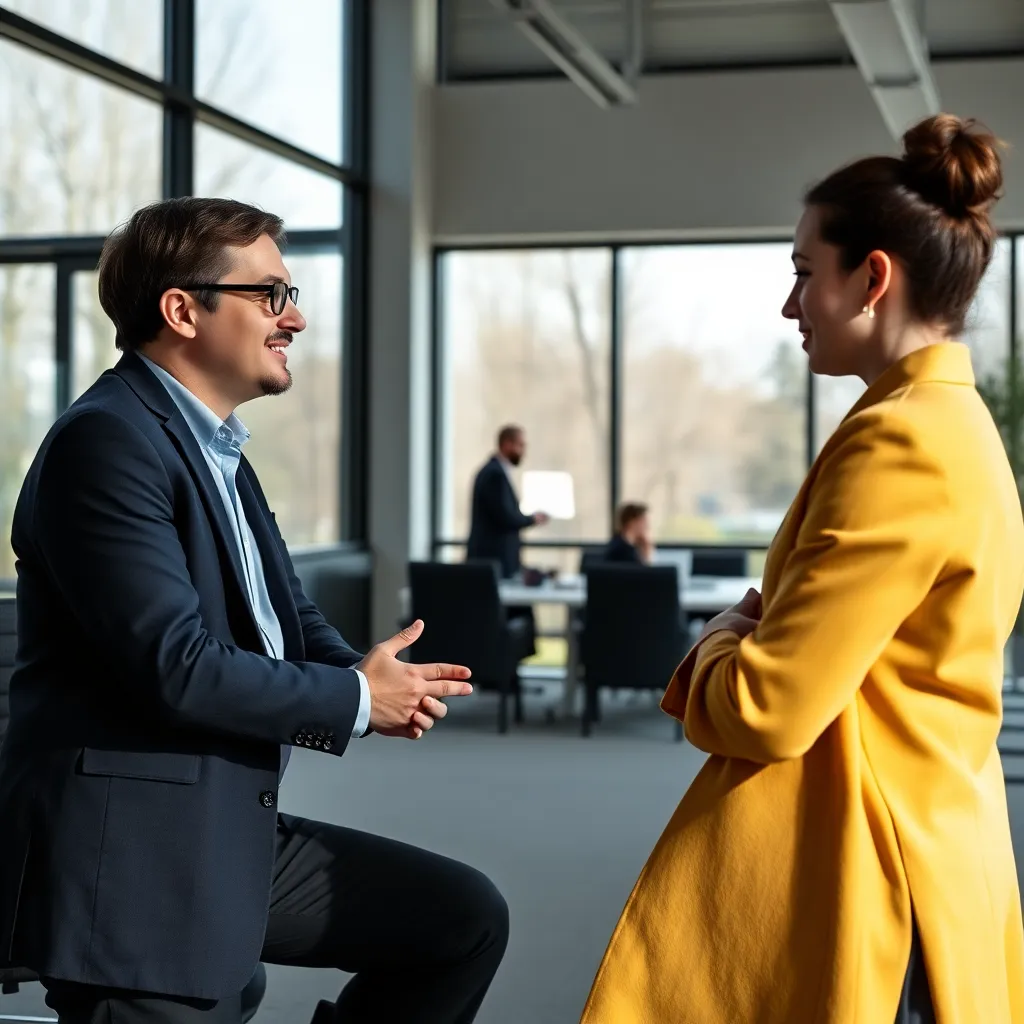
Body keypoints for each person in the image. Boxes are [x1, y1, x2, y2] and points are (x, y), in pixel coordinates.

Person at [0, 197, 508, 1024]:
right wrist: (355, 700)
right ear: (182, 310)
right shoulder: (106, 443)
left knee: (463, 921)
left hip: (217, 828)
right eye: (270, 294)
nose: (294, 318)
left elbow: (285, 615)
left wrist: (365, 675)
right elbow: (176, 666)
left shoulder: (217, 449)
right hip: (129, 864)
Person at [581, 114, 1024, 1024]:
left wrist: (716, 642)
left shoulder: (902, 441)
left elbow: (768, 707)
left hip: (874, 872)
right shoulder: (950, 422)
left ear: (872, 279)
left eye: (802, 272)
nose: (790, 307)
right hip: (930, 845)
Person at [466, 425, 548, 579]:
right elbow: (505, 516)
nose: (523, 451)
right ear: (507, 444)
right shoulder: (494, 475)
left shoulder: (494, 472)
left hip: (495, 560)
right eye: (520, 445)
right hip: (494, 559)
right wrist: (532, 519)